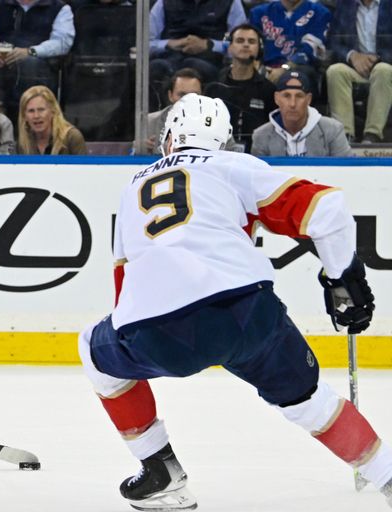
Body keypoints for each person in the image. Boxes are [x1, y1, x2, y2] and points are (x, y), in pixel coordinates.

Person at [79, 92, 391, 511]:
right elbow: (328, 209)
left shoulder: (133, 185)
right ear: (225, 141)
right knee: (310, 402)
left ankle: (159, 470)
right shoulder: (233, 165)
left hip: (158, 331)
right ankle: (387, 474)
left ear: (169, 137)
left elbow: (125, 286)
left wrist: (138, 339)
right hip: (246, 313)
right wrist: (343, 279)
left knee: (92, 348)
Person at [0, 0, 75, 124]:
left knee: (29, 64)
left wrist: (30, 51)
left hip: (39, 65)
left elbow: (62, 43)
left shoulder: (60, 8)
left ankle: (23, 122)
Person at [148, 0, 246, 104]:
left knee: (197, 66)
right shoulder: (163, 2)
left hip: (210, 59)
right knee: (156, 67)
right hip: (170, 56)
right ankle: (157, 116)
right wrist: (170, 43)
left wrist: (209, 45)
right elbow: (146, 42)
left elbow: (239, 42)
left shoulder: (231, 2)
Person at [326, 0, 392, 144]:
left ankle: (372, 134)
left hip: (385, 66)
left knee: (383, 70)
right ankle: (344, 135)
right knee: (335, 71)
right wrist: (352, 56)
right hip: (355, 67)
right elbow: (332, 41)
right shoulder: (345, 5)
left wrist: (377, 58)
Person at [205, 23, 276, 153]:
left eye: (252, 41)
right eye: (240, 40)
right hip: (217, 154)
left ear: (259, 49)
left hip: (257, 156)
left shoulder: (268, 89)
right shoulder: (214, 86)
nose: (246, 45)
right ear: (230, 47)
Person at [252, 70, 352, 157]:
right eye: (286, 96)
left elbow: (347, 172)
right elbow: (260, 177)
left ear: (308, 99)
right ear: (276, 98)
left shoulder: (332, 130)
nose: (292, 104)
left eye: (299, 96)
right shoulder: (261, 135)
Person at [249, 0, 330, 88]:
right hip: (265, 67)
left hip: (300, 68)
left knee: (302, 74)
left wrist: (285, 68)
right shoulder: (259, 12)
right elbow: (251, 43)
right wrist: (256, 65)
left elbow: (311, 47)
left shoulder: (320, 12)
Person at [145, 68, 202, 155]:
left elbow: (228, 157)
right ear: (170, 95)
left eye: (194, 95)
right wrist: (143, 149)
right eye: (182, 95)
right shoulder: (150, 122)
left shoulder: (217, 123)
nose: (188, 100)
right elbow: (131, 160)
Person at [17, 85, 86, 155]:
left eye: (41, 110)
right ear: (24, 116)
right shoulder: (23, 143)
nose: (36, 116)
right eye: (31, 111)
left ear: (53, 111)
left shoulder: (72, 137)